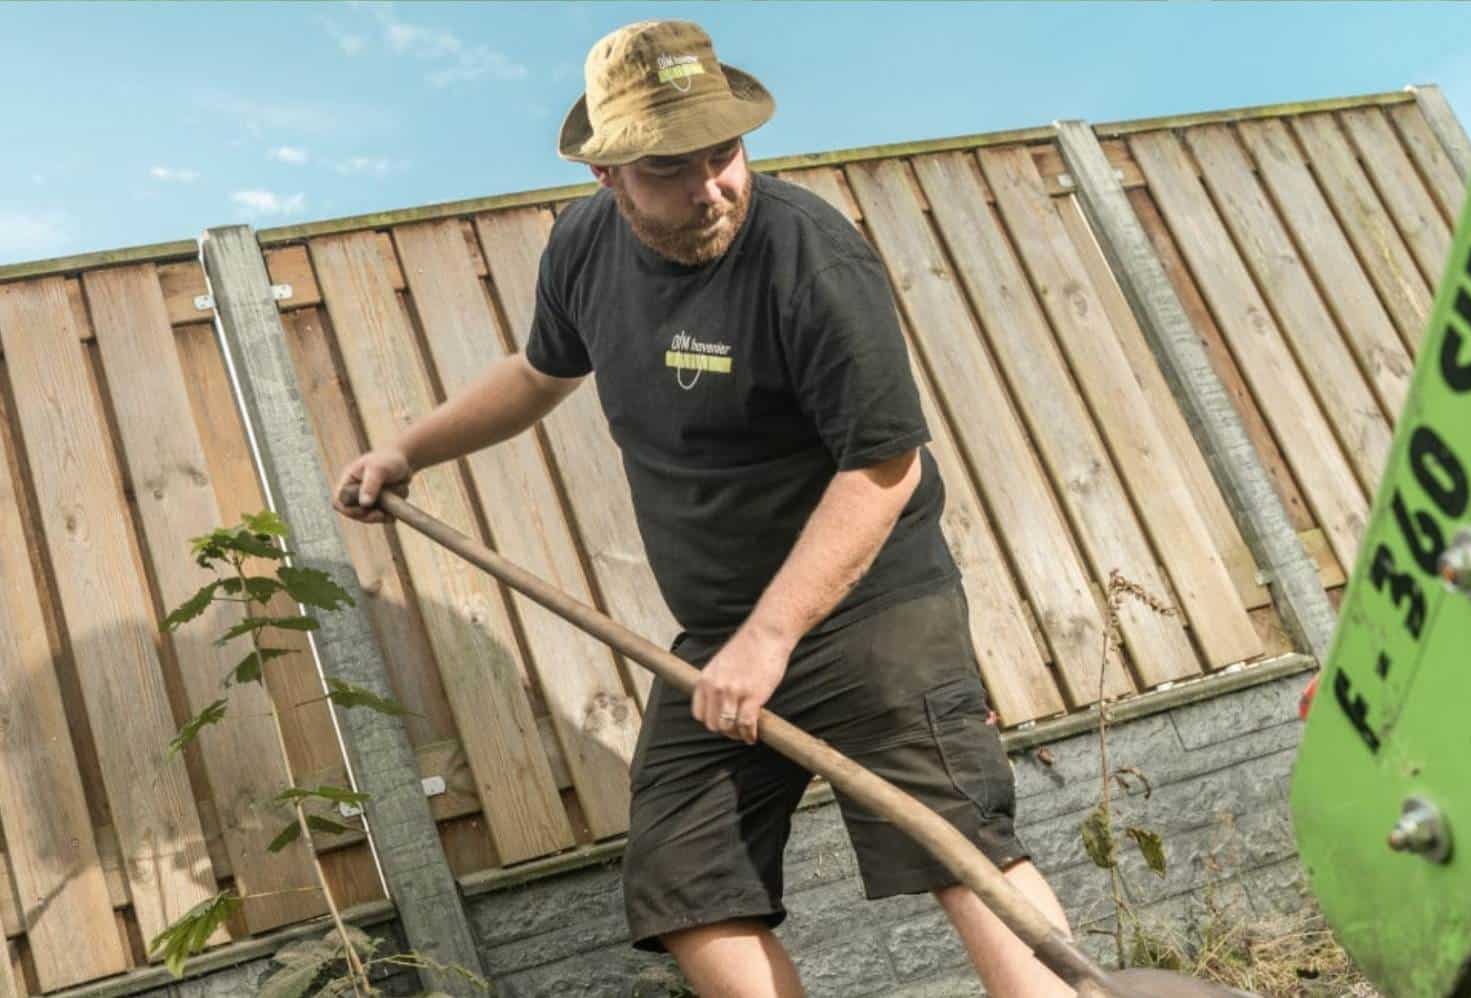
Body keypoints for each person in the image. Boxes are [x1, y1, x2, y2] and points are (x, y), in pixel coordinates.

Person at [334, 20, 1073, 997]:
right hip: (719, 634)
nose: (711, 186)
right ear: (608, 175)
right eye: (670, 168)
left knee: (961, 848)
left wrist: (771, 639)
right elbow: (535, 372)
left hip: (875, 610)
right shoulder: (585, 250)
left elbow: (883, 467)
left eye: (723, 154)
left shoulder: (807, 255)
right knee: (690, 884)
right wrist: (406, 449)